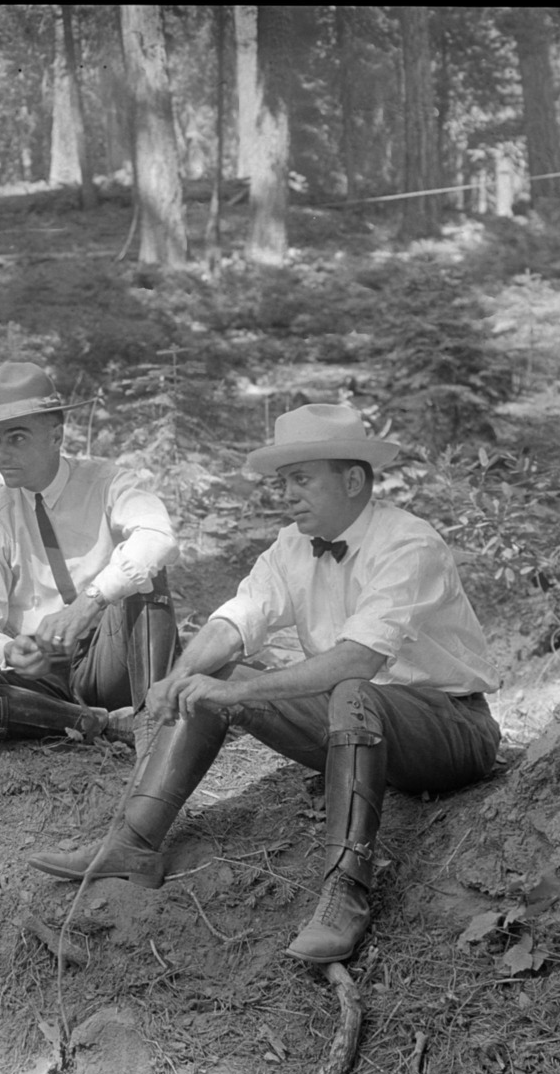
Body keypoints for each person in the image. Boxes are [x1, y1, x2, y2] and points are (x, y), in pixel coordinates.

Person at [30, 403, 500, 965]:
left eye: (302, 479)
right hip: (354, 721)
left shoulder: (408, 545)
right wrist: (181, 676)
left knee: (344, 693)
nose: (288, 495)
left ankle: (345, 891)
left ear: (352, 480)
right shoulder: (292, 544)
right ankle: (133, 842)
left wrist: (238, 693)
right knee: (209, 679)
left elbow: (355, 660)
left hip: (449, 731)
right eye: (285, 482)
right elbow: (238, 618)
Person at [0, 362, 179, 744]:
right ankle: (90, 722)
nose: (1, 453)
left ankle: (153, 726)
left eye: (16, 438)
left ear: (56, 435)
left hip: (109, 658)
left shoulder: (105, 483)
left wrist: (87, 605)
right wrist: (11, 649)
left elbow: (157, 536)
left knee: (147, 575)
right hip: (40, 679)